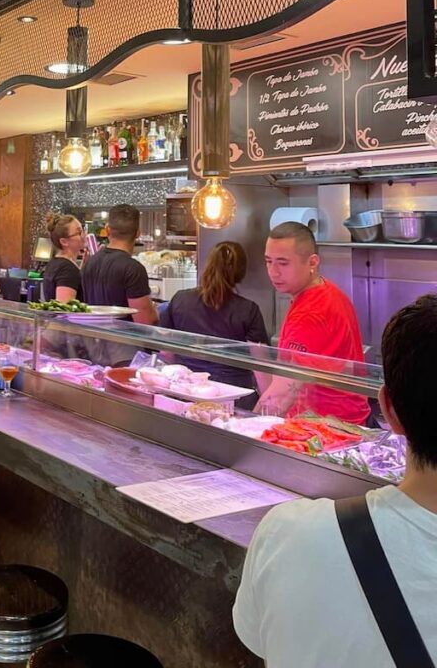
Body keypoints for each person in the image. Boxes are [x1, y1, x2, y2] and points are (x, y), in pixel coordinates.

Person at [234, 294, 437, 667]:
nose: (274, 271)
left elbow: (254, 638)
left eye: (281, 261)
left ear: (388, 411)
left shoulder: (286, 532)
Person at [258, 221, 369, 425]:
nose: (273, 272)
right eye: (268, 261)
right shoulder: (327, 291)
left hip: (327, 426)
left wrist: (247, 431)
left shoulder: (311, 313)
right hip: (339, 421)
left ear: (312, 262)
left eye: (283, 263)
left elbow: (283, 393)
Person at [160, 241, 268, 406]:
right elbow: (261, 366)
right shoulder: (248, 309)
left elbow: (166, 352)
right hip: (233, 395)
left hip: (186, 391)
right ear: (240, 272)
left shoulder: (180, 299)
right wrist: (269, 406)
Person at [81, 204, 158, 325]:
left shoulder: (90, 262)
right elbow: (145, 321)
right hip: (123, 342)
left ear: (107, 229)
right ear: (138, 233)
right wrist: (155, 310)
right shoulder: (133, 269)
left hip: (93, 340)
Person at [42, 214, 84, 302]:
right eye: (79, 233)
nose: (84, 235)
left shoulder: (56, 263)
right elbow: (64, 308)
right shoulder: (67, 269)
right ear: (64, 241)